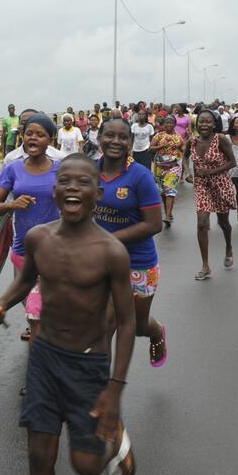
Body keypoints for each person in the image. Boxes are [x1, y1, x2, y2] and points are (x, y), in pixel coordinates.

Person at [0, 154, 137, 475]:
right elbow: (26, 280)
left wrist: (114, 391)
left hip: (87, 364)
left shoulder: (112, 252)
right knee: (39, 457)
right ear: (54, 191)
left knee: (87, 466)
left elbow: (127, 323)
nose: (73, 188)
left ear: (98, 194)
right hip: (44, 358)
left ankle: (116, 440)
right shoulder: (39, 238)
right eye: (65, 181)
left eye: (83, 182)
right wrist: (2, 302)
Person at [94, 119, 167, 369]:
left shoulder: (140, 176)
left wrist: (109, 239)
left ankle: (156, 332)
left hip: (138, 263)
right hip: (102, 262)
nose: (115, 141)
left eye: (123, 137)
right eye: (109, 135)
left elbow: (154, 224)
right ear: (99, 138)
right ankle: (101, 385)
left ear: (130, 142)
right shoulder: (89, 172)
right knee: (105, 325)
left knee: (137, 326)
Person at [0, 115, 60, 349]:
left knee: (40, 309)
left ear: (50, 140)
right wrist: (12, 204)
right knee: (31, 304)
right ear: (22, 136)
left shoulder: (61, 169)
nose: (33, 138)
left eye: (40, 135)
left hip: (54, 250)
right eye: (29, 133)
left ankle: (42, 360)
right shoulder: (13, 169)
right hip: (23, 250)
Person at [185, 110, 236, 280]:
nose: (204, 125)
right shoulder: (192, 141)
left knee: (223, 223)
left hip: (221, 184)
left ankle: (228, 246)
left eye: (208, 122)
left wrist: (211, 171)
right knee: (202, 223)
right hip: (201, 185)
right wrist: (188, 172)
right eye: (201, 121)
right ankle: (205, 266)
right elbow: (184, 157)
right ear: (196, 123)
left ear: (214, 124)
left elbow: (232, 162)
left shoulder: (221, 139)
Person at [150, 116, 186, 226]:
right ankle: (168, 213)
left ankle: (168, 216)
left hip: (174, 167)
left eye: (171, 123)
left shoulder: (178, 137)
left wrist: (180, 147)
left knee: (170, 189)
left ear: (174, 124)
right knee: (163, 192)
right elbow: (150, 149)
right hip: (159, 167)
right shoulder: (159, 135)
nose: (168, 125)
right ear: (163, 124)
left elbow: (183, 150)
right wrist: (161, 146)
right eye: (166, 122)